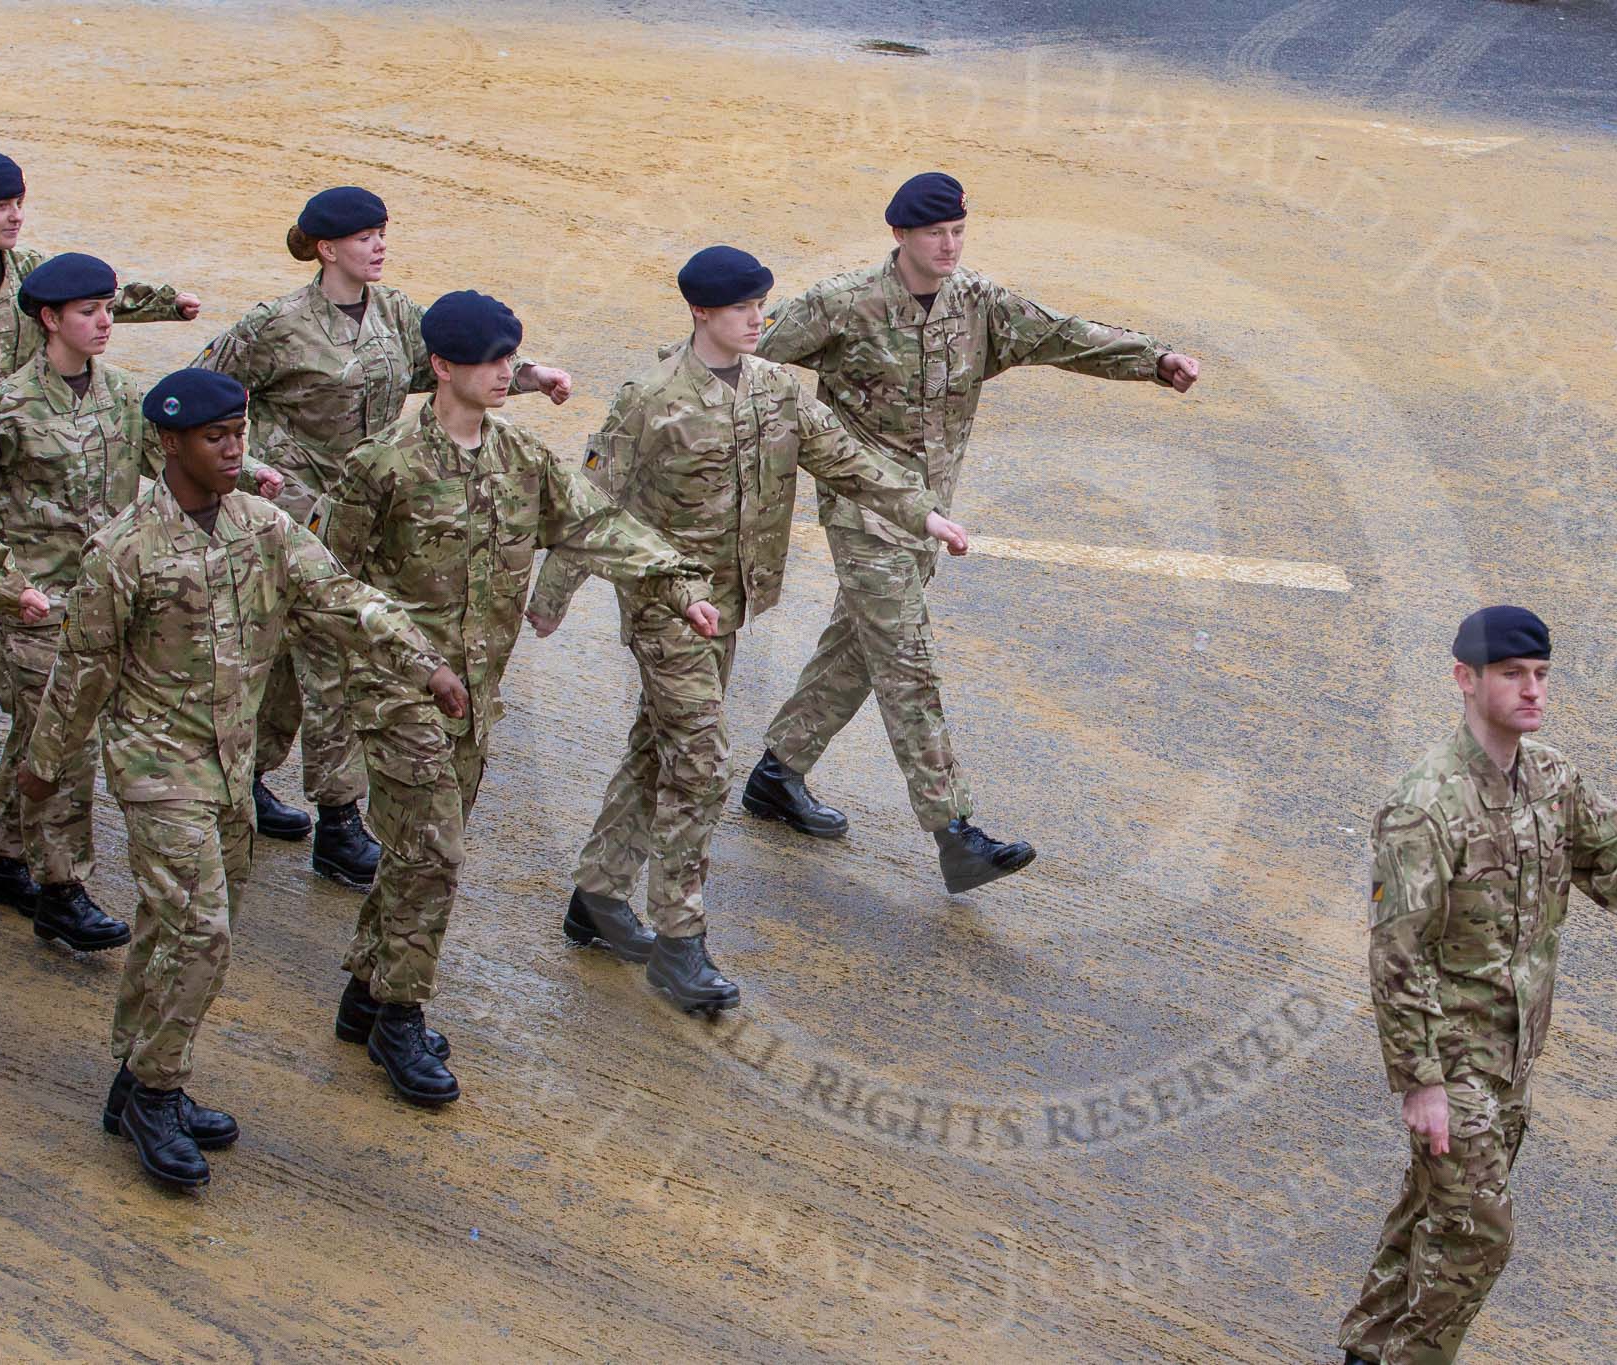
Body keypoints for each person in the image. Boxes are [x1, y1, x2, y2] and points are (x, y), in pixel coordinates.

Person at [16, 368, 464, 1189]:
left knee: (167, 928)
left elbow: (341, 597)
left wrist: (422, 660)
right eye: (214, 436)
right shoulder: (124, 550)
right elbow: (81, 672)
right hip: (157, 767)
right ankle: (158, 1093)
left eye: (239, 432)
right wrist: (43, 773)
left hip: (230, 764)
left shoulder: (263, 526)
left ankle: (137, 1077)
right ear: (170, 443)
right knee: (201, 931)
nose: (233, 448)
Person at [526, 246, 968, 1013]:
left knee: (657, 743)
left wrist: (921, 511)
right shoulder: (652, 396)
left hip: (730, 604)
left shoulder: (775, 389)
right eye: (742, 309)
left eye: (762, 305)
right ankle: (679, 942)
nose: (759, 319)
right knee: (699, 764)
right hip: (668, 604)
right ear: (702, 313)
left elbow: (847, 461)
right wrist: (552, 594)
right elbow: (591, 495)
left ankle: (596, 897)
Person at [745, 170, 1203, 894]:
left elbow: (1061, 336)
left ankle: (777, 773)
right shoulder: (841, 306)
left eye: (958, 230)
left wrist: (1151, 360)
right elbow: (739, 359)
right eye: (935, 233)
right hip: (864, 511)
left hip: (930, 514)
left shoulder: (978, 304)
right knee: (907, 661)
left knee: (860, 649)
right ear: (900, 235)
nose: (950, 244)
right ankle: (955, 832)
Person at [1340, 606, 1617, 1365]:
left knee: (1434, 1213)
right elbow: (1393, 952)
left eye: (1540, 675)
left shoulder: (1552, 779)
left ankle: (1368, 1350)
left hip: (1512, 1060)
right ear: (1465, 680)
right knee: (1477, 1234)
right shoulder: (1424, 807)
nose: (1533, 690)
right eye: (1513, 675)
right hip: (1453, 1062)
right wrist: (1421, 1081)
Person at [321, 289, 708, 1104]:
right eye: (488, 361)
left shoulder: (520, 459)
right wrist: (385, 661)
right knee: (436, 853)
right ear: (440, 367)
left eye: (509, 358)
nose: (505, 373)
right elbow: (330, 579)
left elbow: (597, 523)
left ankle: (365, 989)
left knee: (420, 848)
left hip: (475, 696)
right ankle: (399, 1015)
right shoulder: (381, 468)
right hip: (399, 693)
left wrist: (676, 582)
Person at [195, 186, 572, 881]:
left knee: (293, 656)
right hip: (301, 514)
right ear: (326, 248)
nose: (379, 245)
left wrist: (531, 375)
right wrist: (247, 465)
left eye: (383, 233)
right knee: (333, 660)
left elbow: (460, 356)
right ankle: (339, 822)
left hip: (377, 506)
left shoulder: (396, 313)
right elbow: (198, 395)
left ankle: (247, 776)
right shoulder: (275, 325)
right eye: (364, 236)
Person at [0, 254, 281, 946]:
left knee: (42, 736)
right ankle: (61, 887)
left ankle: (1, 850)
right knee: (68, 735)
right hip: (29, 603)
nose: (104, 323)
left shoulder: (122, 395)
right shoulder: (7, 408)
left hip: (105, 598)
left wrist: (252, 473)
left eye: (109, 309)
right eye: (88, 312)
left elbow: (171, 459)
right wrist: (5, 584)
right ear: (49, 319)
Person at [0, 149, 200, 388]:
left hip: (23, 417)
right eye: (1, 206)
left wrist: (168, 304)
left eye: (19, 203)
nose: (16, 216)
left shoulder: (31, 267)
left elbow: (93, 298)